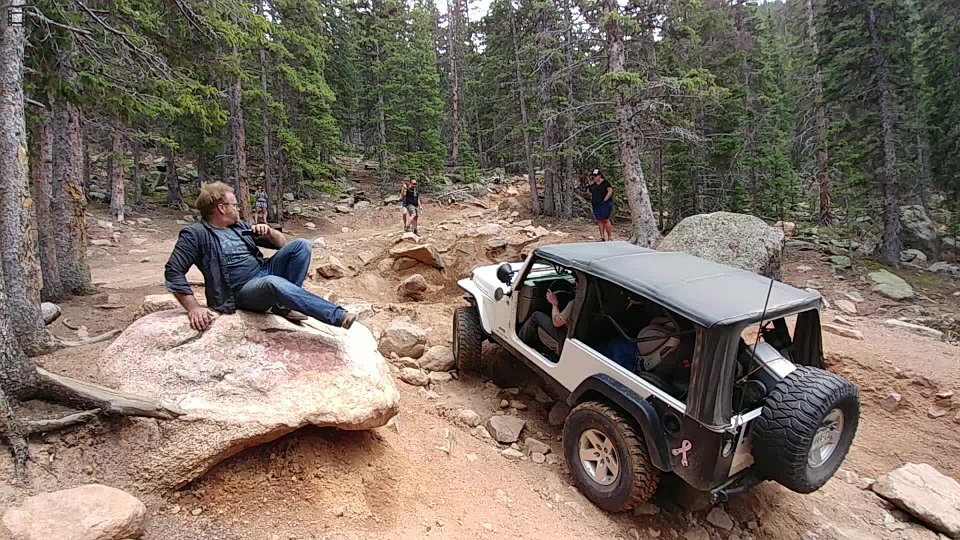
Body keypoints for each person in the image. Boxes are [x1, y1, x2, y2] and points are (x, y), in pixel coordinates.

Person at [164, 181, 356, 332]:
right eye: (235, 205)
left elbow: (282, 244)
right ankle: (337, 316)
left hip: (264, 271)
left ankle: (283, 305)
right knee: (272, 282)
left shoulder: (238, 227)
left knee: (302, 245)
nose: (238, 209)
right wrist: (193, 307)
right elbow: (173, 271)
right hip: (240, 291)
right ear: (222, 208)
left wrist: (269, 232)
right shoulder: (195, 234)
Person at [519, 287, 575, 356]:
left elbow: (556, 322)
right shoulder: (586, 302)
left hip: (563, 336)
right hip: (575, 335)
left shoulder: (574, 303)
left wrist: (554, 303)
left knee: (535, 316)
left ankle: (520, 343)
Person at [588, 169, 614, 241]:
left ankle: (609, 237)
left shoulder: (605, 183)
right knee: (599, 220)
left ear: (599, 175)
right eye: (593, 176)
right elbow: (589, 192)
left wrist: (605, 200)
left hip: (605, 203)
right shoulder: (593, 184)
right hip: (596, 204)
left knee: (605, 219)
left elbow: (610, 191)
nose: (595, 177)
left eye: (596, 176)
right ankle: (602, 236)